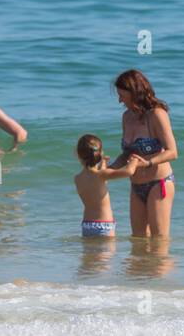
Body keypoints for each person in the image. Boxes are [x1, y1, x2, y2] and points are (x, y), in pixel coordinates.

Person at [108, 69, 178, 237]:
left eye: (122, 95)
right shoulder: (126, 117)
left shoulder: (156, 115)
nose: (119, 100)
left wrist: (146, 163)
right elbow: (126, 154)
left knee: (159, 238)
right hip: (136, 185)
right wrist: (108, 169)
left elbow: (173, 152)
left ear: (135, 93)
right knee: (138, 239)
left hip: (158, 183)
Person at [74, 134, 145, 237]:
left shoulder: (78, 178)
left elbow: (99, 184)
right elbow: (128, 171)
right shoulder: (101, 175)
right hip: (104, 225)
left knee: (89, 253)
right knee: (106, 252)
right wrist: (134, 160)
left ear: (78, 155)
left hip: (87, 225)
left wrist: (103, 164)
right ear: (100, 153)